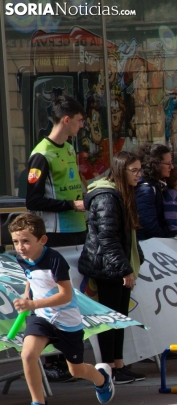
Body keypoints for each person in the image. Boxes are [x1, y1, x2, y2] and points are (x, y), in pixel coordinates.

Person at [10, 213, 115, 405]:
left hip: (67, 322)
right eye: (15, 242)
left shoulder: (55, 260)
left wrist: (32, 304)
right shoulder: (22, 258)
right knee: (28, 353)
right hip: (42, 319)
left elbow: (65, 295)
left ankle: (102, 379)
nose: (20, 247)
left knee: (75, 370)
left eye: (26, 241)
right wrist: (26, 297)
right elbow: (30, 278)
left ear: (42, 240)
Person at [25, 95, 88, 383]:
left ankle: (70, 355)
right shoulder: (42, 154)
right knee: (55, 295)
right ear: (66, 119)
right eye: (78, 120)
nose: (81, 125)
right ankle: (55, 360)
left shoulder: (69, 148)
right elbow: (33, 199)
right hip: (57, 232)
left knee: (74, 296)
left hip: (77, 229)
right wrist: (69, 205)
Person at [78, 151, 147, 384]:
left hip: (116, 264)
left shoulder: (120, 192)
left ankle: (119, 364)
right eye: (134, 170)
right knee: (109, 318)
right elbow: (107, 238)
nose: (139, 175)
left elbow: (125, 234)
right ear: (120, 170)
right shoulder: (107, 196)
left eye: (140, 170)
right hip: (107, 267)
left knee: (119, 316)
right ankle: (108, 367)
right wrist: (124, 269)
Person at [135, 143, 177, 242]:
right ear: (155, 164)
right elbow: (149, 224)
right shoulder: (146, 189)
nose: (171, 167)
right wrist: (170, 238)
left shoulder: (158, 185)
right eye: (168, 164)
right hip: (148, 245)